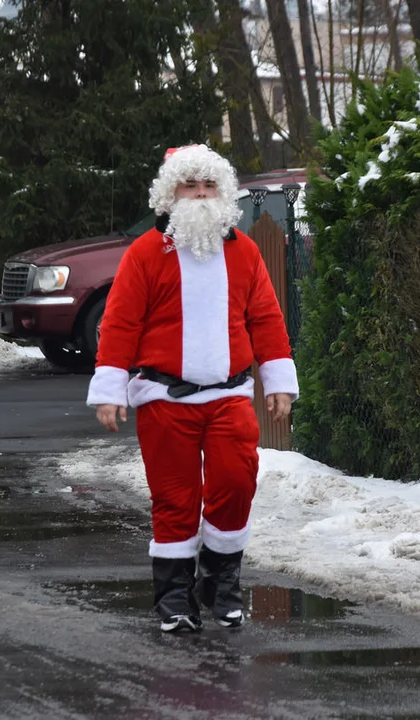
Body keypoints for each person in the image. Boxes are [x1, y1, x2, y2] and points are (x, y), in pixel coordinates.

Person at [87, 144, 298, 633]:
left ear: (223, 194)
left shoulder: (243, 252)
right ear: (171, 193)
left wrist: (279, 380)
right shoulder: (145, 253)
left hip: (229, 396)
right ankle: (175, 596)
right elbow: (119, 322)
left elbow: (265, 317)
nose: (200, 195)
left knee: (235, 482)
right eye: (190, 185)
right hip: (165, 399)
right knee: (175, 497)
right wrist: (110, 388)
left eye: (209, 187)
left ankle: (220, 583)